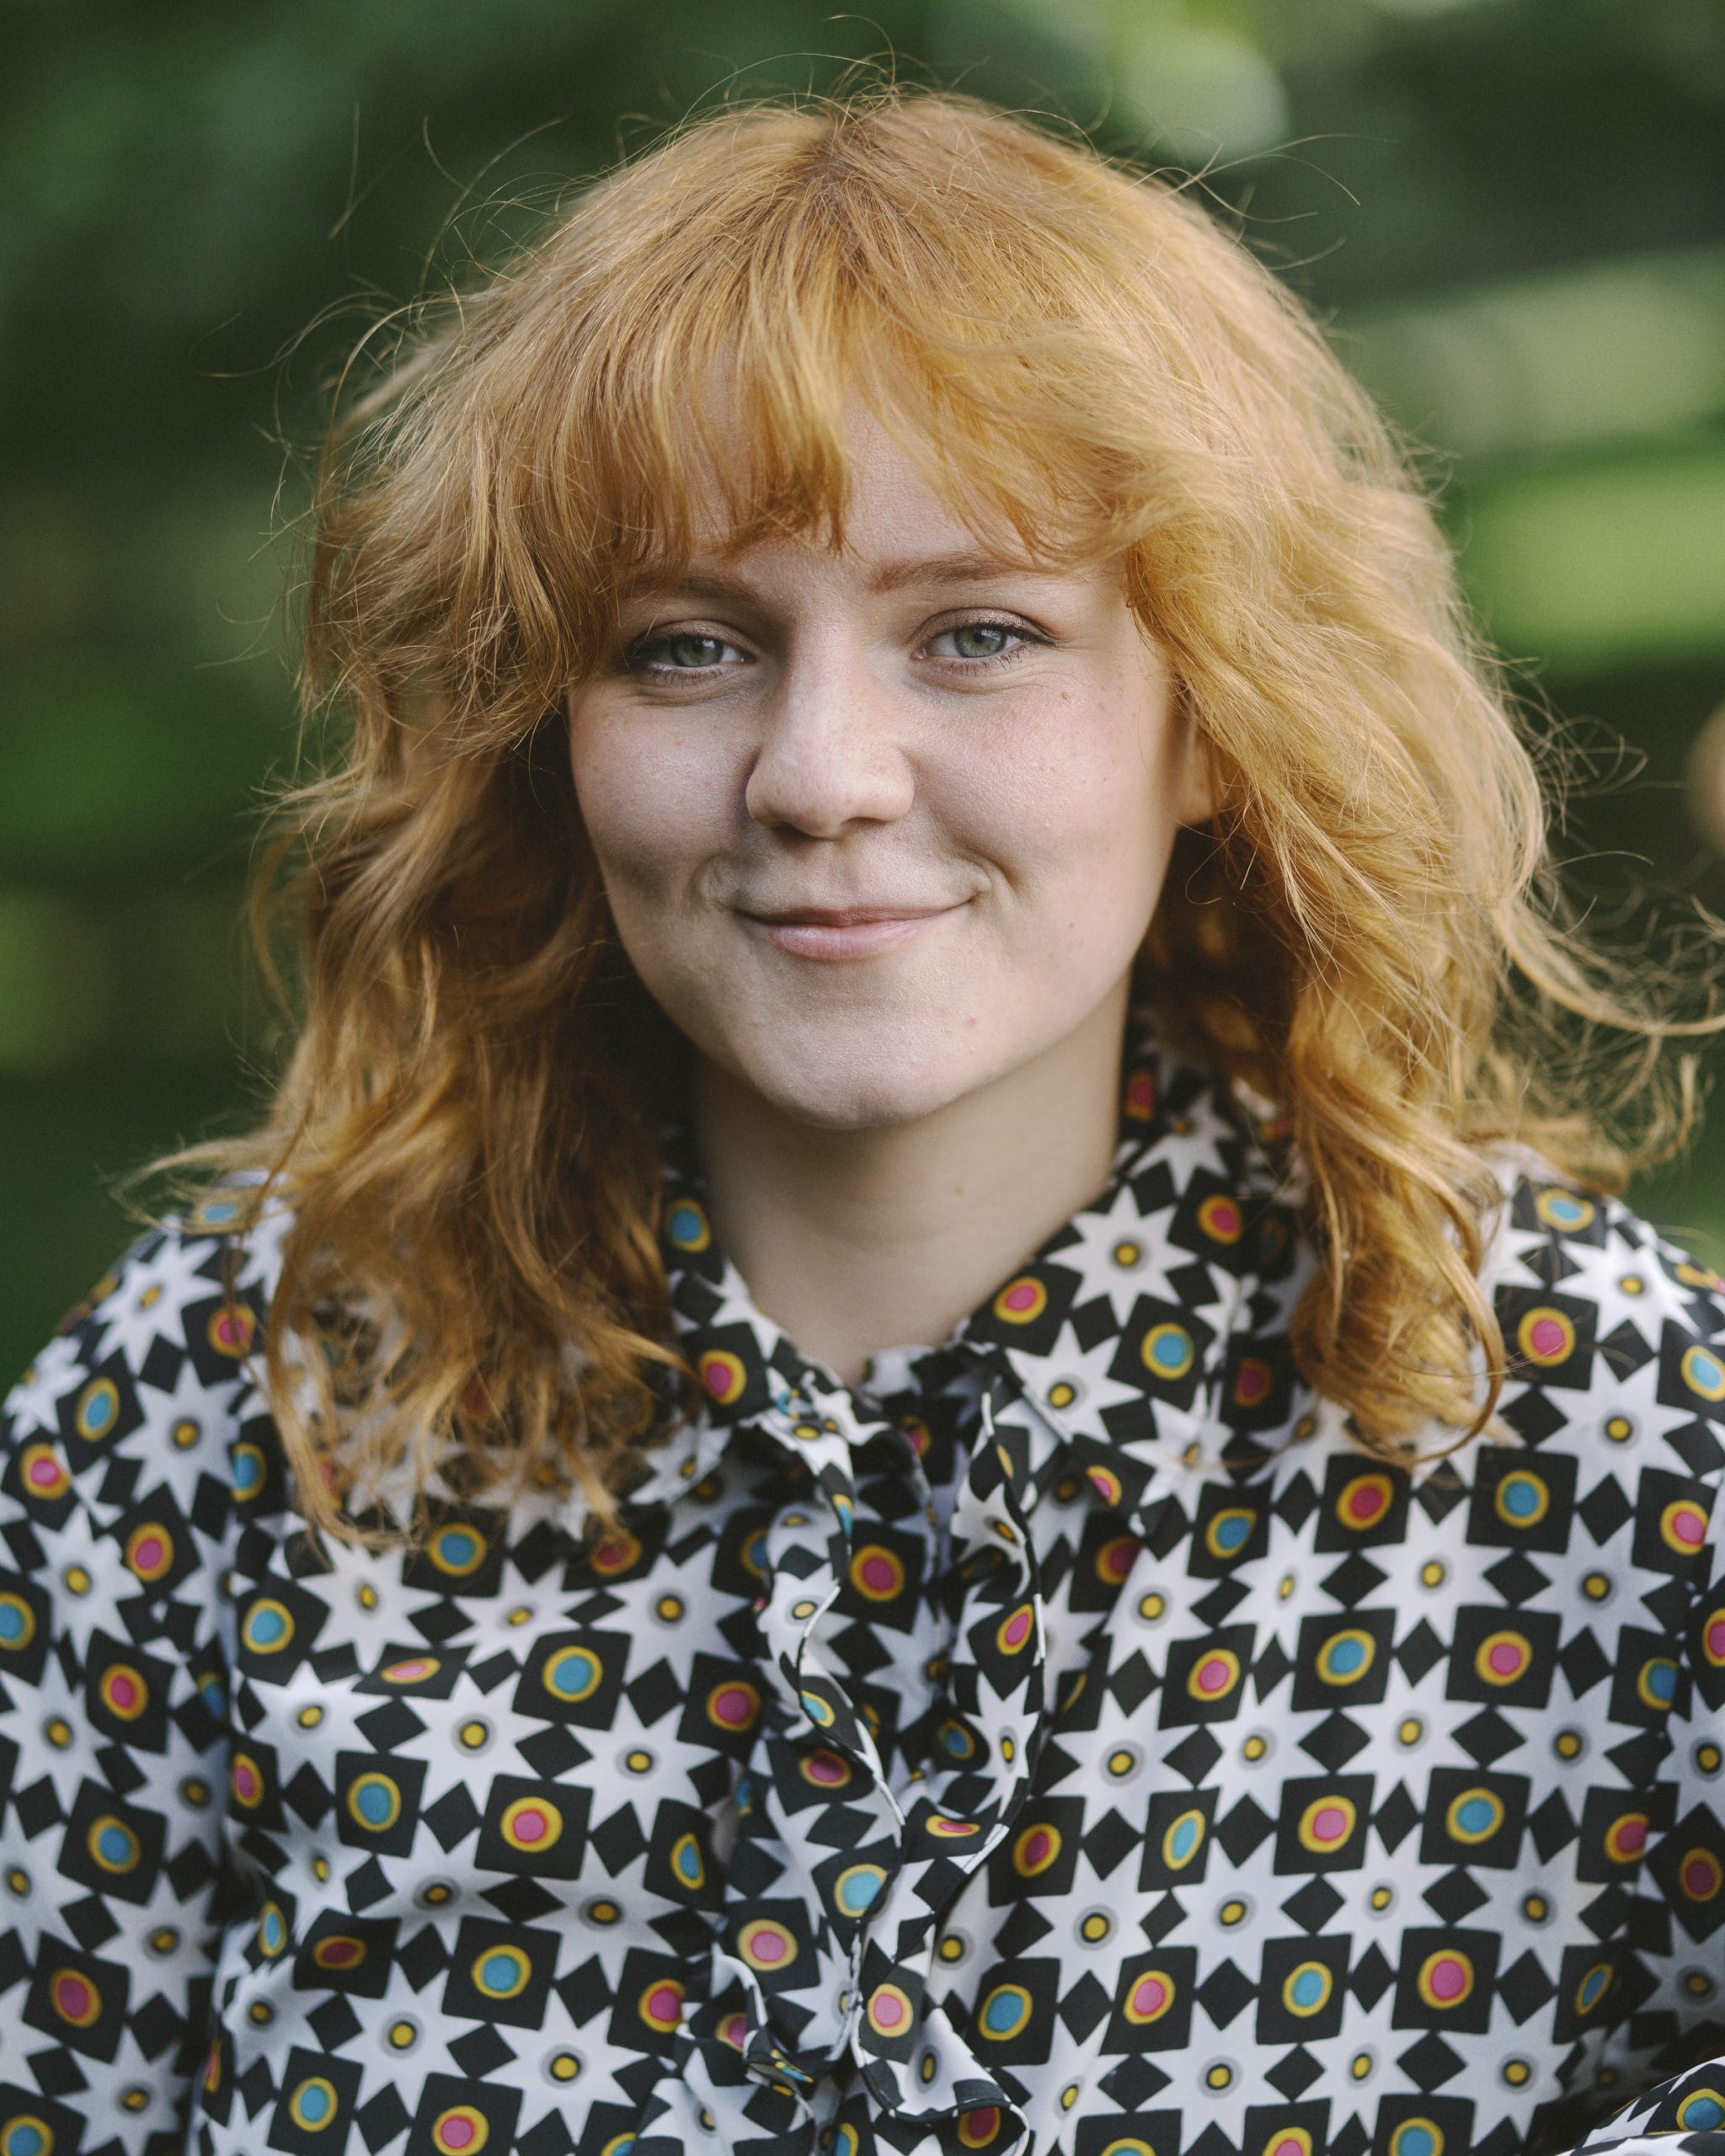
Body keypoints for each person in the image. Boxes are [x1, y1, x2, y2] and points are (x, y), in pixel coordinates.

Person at [2, 87, 1722, 2156]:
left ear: (1212, 722)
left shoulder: (1583, 1415)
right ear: (549, 733)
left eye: (977, 633)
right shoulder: (215, 1413)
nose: (820, 771)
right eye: (690, 645)